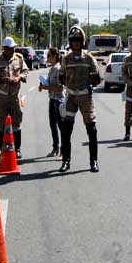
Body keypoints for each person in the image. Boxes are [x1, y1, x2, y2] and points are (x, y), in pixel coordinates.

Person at [60, 26, 101, 172]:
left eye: (78, 40)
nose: (75, 43)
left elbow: (97, 79)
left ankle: (93, 162)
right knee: (66, 130)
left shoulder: (89, 59)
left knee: (92, 129)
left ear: (82, 41)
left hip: (85, 97)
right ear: (70, 42)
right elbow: (61, 77)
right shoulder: (66, 59)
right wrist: (69, 87)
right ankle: (66, 161)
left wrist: (91, 81)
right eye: (73, 40)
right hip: (71, 97)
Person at [0, 37, 28, 158]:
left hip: (15, 96)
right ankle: (3, 149)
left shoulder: (19, 58)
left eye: (13, 48)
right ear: (4, 49)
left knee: (16, 122)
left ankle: (17, 149)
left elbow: (25, 71)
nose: (12, 50)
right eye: (10, 49)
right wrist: (1, 79)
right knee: (1, 123)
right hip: (2, 96)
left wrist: (19, 77)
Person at [38, 47, 65, 157]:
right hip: (52, 99)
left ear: (54, 57)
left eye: (48, 55)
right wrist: (43, 84)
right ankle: (55, 148)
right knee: (53, 125)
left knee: (61, 126)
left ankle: (64, 149)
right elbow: (50, 84)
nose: (47, 58)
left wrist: (45, 87)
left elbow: (59, 88)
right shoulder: (52, 68)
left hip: (59, 100)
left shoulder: (58, 69)